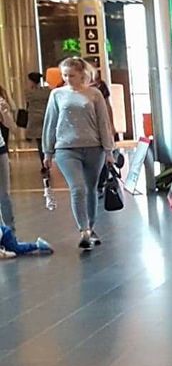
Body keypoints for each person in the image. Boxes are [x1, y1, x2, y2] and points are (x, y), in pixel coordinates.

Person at [42, 57, 116, 250]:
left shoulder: (95, 94)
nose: (68, 79)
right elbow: (50, 123)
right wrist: (47, 152)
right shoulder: (57, 95)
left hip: (93, 148)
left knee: (91, 189)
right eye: (64, 75)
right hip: (66, 148)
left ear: (82, 74)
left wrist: (109, 150)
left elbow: (103, 122)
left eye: (71, 75)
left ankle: (91, 226)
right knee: (77, 188)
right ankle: (83, 230)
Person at [22, 72, 50, 151]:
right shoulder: (47, 91)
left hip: (34, 118)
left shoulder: (28, 92)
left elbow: (28, 104)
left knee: (39, 141)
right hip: (45, 116)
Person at [0, 89, 14, 227]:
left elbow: (12, 127)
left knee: (4, 194)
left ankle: (10, 230)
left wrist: (5, 112)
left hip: (0, 150)